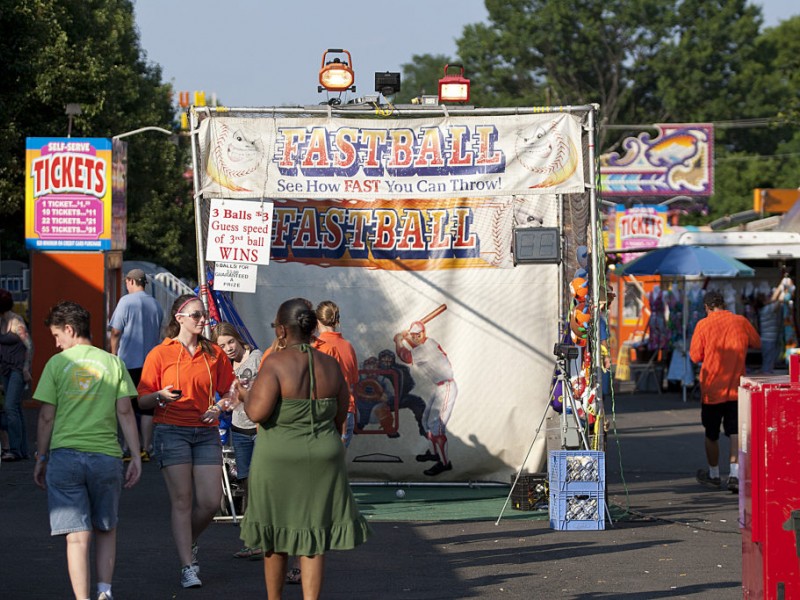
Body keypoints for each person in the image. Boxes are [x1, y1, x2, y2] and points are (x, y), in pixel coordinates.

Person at [239, 298, 371, 599]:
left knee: (274, 533)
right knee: (314, 536)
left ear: (283, 331)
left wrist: (245, 395)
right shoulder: (330, 363)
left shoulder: (275, 362)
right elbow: (340, 416)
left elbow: (257, 413)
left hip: (279, 457)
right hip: (324, 457)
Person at [32, 300, 142, 600]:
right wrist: (135, 455)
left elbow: (45, 417)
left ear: (70, 329)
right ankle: (105, 591)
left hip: (65, 457)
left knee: (77, 538)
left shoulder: (56, 365)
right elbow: (125, 413)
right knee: (106, 528)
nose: (56, 344)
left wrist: (41, 458)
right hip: (106, 456)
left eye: (57, 336)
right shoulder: (113, 363)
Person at [136, 293, 235, 588]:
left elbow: (231, 390)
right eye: (196, 315)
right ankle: (186, 565)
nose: (202, 320)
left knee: (210, 502)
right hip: (171, 430)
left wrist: (220, 406)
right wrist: (159, 396)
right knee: (182, 500)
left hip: (205, 431)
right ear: (179, 319)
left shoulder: (214, 353)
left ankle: (187, 540)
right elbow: (142, 401)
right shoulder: (160, 353)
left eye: (203, 315)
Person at [689, 289, 760, 493]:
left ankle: (713, 474)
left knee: (711, 433)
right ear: (724, 304)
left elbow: (695, 356)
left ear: (707, 307)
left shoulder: (703, 324)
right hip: (737, 388)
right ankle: (735, 475)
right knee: (735, 431)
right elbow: (756, 342)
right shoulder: (740, 321)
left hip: (712, 388)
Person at [210, 322, 263, 560]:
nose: (228, 349)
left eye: (230, 342)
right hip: (239, 428)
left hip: (261, 427)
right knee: (245, 482)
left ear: (238, 338)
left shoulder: (257, 357)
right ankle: (253, 539)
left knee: (260, 484)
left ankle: (261, 538)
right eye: (222, 346)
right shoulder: (223, 365)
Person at [108, 269, 163, 461]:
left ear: (130, 281)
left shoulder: (126, 301)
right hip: (151, 363)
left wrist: (113, 354)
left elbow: (115, 331)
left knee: (127, 406)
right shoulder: (155, 304)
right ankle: (146, 448)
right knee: (147, 407)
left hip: (127, 362)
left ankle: (129, 447)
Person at [393, 320, 458, 476]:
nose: (416, 337)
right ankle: (434, 452)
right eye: (414, 335)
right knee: (426, 421)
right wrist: (404, 338)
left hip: (447, 387)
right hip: (440, 387)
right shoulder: (426, 344)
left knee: (437, 428)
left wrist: (398, 341)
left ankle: (444, 463)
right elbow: (414, 347)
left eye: (418, 334)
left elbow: (405, 356)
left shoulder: (426, 347)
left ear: (423, 333)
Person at [313, 300, 358, 447]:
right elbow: (352, 380)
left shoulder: (317, 346)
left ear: (317, 321)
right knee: (337, 466)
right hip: (347, 412)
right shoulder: (348, 346)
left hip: (324, 413)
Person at [0, 288, 33, 461]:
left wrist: (26, 368)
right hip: (5, 368)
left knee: (10, 407)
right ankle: (22, 450)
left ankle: (14, 449)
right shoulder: (1, 321)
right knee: (16, 408)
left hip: (18, 369)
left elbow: (29, 345)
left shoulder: (16, 322)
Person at [378, 348, 427, 437]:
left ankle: (424, 428)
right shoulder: (373, 369)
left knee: (417, 402)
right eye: (384, 358)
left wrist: (399, 395)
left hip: (398, 398)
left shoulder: (401, 369)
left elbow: (410, 384)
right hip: (378, 399)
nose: (387, 360)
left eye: (389, 358)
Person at [756, 291, 781, 374]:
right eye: (766, 297)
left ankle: (765, 373)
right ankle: (766, 377)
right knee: (768, 363)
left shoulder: (762, 310)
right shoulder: (767, 309)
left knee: (767, 361)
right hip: (769, 340)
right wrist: (783, 290)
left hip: (765, 340)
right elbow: (779, 301)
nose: (768, 298)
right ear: (763, 301)